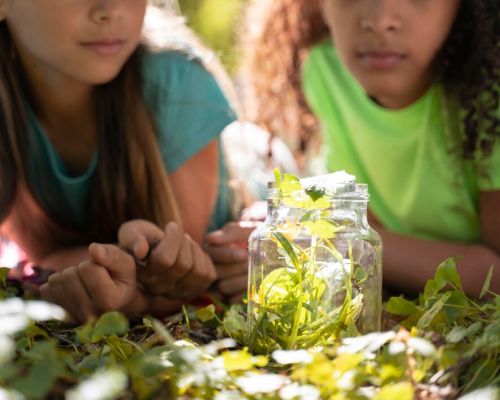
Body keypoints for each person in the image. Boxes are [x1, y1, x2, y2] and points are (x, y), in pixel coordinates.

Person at [206, 0, 500, 298]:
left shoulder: (491, 96)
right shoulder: (328, 71)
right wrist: (286, 226)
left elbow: (495, 275)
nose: (380, 19)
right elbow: (367, 222)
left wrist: (331, 243)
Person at [0, 1, 237, 322]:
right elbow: (45, 257)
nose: (110, 9)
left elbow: (174, 284)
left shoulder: (177, 83)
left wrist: (126, 276)